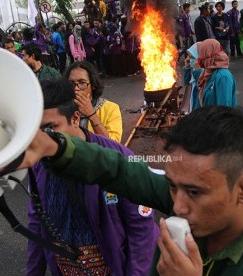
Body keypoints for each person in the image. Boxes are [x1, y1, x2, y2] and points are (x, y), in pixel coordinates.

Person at [14, 105, 243, 276]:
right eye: (171, 186)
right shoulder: (185, 202)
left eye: (195, 192)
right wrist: (55, 148)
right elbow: (120, 169)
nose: (177, 206)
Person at [26, 78, 158, 275]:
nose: (42, 139)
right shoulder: (39, 163)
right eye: (35, 131)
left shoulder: (120, 158)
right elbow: (37, 221)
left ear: (75, 118)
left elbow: (142, 231)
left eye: (50, 128)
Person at [64, 61, 122, 142]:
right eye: (71, 83)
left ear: (93, 85)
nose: (76, 88)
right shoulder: (61, 109)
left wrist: (91, 114)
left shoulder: (110, 108)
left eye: (82, 83)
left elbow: (113, 145)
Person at [196, 39, 237, 107]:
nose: (199, 59)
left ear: (209, 55)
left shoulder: (223, 76)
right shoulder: (207, 73)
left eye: (202, 55)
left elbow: (224, 110)